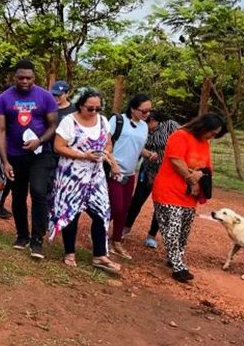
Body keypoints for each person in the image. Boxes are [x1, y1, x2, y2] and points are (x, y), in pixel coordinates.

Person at [48, 88, 121, 273]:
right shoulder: (69, 122)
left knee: (102, 212)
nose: (95, 112)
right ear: (80, 106)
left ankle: (100, 255)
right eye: (90, 108)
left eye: (98, 108)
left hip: (96, 175)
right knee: (71, 212)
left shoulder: (104, 121)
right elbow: (58, 147)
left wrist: (107, 155)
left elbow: (108, 143)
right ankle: (69, 252)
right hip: (72, 174)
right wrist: (83, 155)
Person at [0, 59, 58, 259]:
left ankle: (37, 239)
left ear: (34, 78)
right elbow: (0, 130)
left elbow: (53, 126)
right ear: (14, 77)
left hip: (40, 154)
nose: (24, 81)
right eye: (20, 77)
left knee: (38, 191)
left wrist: (39, 141)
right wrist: (5, 161)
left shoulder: (46, 97)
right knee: (18, 195)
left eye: (28, 78)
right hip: (14, 155)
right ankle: (22, 236)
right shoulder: (4, 99)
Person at [152, 113, 226, 282]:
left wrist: (199, 175)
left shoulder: (204, 143)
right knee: (172, 228)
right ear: (203, 127)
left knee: (184, 230)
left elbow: (207, 167)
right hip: (169, 191)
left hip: (190, 195)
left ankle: (175, 258)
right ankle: (178, 266)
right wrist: (191, 179)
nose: (213, 137)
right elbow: (176, 161)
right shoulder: (180, 135)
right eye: (212, 133)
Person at [107, 93, 153, 260]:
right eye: (144, 111)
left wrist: (148, 154)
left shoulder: (144, 127)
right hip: (114, 170)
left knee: (124, 209)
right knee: (116, 206)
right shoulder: (118, 121)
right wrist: (113, 163)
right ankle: (100, 233)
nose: (147, 114)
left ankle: (116, 241)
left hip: (130, 172)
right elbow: (106, 143)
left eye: (149, 111)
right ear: (133, 108)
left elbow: (138, 147)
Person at [125, 110, 180, 248]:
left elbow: (181, 140)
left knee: (160, 204)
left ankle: (151, 235)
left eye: (148, 122)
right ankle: (126, 228)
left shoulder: (170, 125)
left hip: (166, 172)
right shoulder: (141, 128)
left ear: (155, 120)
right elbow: (136, 145)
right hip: (148, 170)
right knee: (137, 199)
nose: (146, 125)